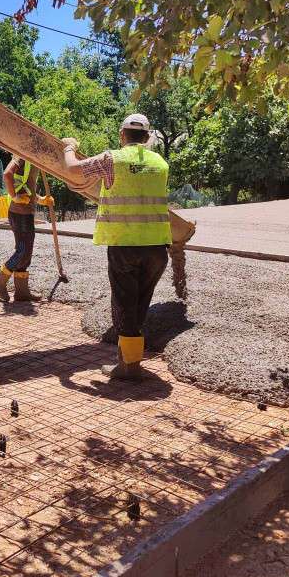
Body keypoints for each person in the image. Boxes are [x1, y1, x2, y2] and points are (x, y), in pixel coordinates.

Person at [61, 114, 172, 381]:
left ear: (122, 135)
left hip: (125, 245)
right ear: (146, 138)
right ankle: (129, 360)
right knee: (140, 303)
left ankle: (129, 366)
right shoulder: (161, 163)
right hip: (157, 247)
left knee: (124, 303)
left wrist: (68, 147)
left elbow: (73, 170)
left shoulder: (112, 159)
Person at [0, 157, 54, 302]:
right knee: (22, 251)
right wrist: (14, 197)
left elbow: (27, 187)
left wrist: (41, 200)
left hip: (26, 214)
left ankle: (21, 292)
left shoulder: (33, 160)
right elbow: (7, 174)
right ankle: (0, 284)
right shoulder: (21, 157)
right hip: (19, 214)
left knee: (26, 253)